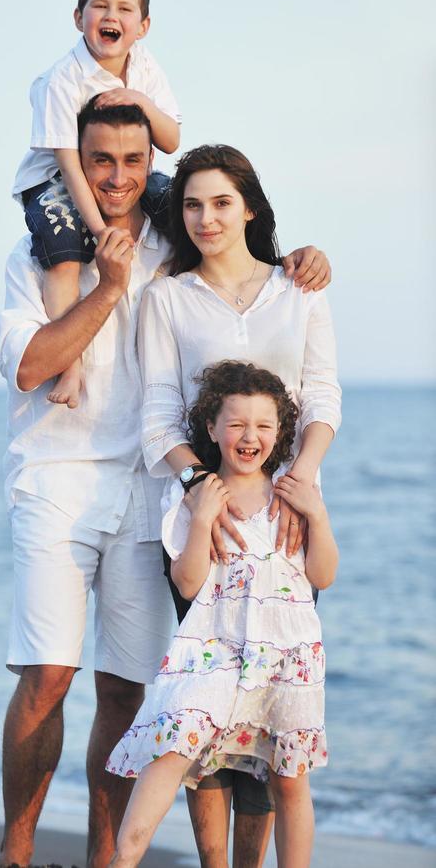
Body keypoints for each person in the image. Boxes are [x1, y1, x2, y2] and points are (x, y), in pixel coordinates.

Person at [0, 101, 331, 868]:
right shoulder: (41, 254)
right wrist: (108, 287)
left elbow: (240, 254)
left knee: (128, 689)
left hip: (151, 491)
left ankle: (104, 862)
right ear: (75, 163)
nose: (116, 177)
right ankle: (14, 855)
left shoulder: (175, 239)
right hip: (59, 475)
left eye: (132, 161)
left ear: (152, 169)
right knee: (47, 674)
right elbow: (32, 367)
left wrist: (302, 258)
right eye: (98, 160)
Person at [135, 143, 342, 867]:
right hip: (205, 520)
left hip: (286, 519)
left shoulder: (301, 287)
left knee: (276, 704)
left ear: (249, 206)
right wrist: (202, 493)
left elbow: (322, 394)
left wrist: (304, 482)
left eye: (222, 202)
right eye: (192, 204)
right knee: (205, 702)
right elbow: (158, 416)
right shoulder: (166, 297)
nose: (205, 217)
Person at [106, 361, 339, 868]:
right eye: (235, 424)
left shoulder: (295, 494)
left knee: (289, 778)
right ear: (211, 428)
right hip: (212, 651)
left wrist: (318, 515)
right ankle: (122, 860)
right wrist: (204, 517)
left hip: (286, 656)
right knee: (172, 747)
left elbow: (322, 575)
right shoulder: (194, 496)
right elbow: (187, 582)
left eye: (262, 425)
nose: (249, 436)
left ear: (280, 434)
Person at [12, 0, 180, 409]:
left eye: (125, 9)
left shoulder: (145, 68)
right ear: (77, 17)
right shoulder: (62, 80)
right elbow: (69, 164)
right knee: (64, 249)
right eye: (99, 6)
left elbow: (170, 139)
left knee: (183, 206)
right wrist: (102, 230)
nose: (111, 16)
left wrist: (140, 100)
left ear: (143, 26)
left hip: (117, 174)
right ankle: (71, 362)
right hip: (54, 180)